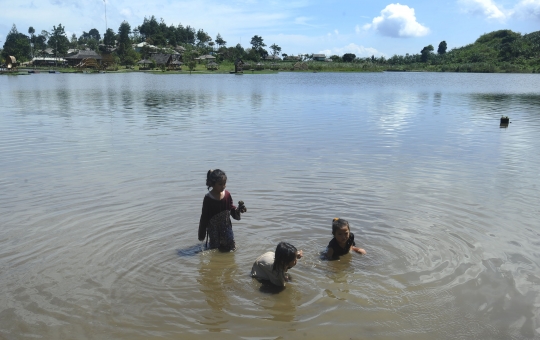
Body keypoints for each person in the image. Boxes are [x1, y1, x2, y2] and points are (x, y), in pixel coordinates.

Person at [198, 169, 246, 251]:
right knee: (215, 248)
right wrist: (201, 234)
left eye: (224, 184)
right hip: (213, 228)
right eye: (220, 184)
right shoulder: (208, 198)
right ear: (212, 184)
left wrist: (238, 210)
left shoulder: (227, 195)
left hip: (226, 225)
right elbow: (204, 216)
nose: (223, 186)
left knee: (231, 245)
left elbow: (231, 207)